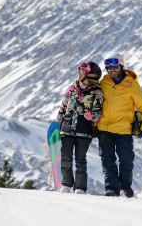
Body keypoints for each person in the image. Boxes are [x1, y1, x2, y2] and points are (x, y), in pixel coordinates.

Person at [96, 54, 142, 197]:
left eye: (115, 67)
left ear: (121, 67)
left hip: (123, 129)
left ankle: (126, 186)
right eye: (109, 67)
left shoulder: (131, 85)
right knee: (107, 161)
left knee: (126, 159)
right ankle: (112, 189)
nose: (112, 70)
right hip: (104, 129)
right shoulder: (103, 83)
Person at [57, 61, 103, 194]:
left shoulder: (97, 93)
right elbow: (63, 107)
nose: (78, 72)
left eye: (82, 70)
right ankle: (66, 184)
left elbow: (99, 113)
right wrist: (57, 124)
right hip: (67, 127)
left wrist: (92, 116)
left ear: (90, 75)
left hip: (84, 130)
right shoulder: (72, 88)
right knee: (65, 156)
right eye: (79, 69)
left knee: (80, 159)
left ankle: (80, 187)